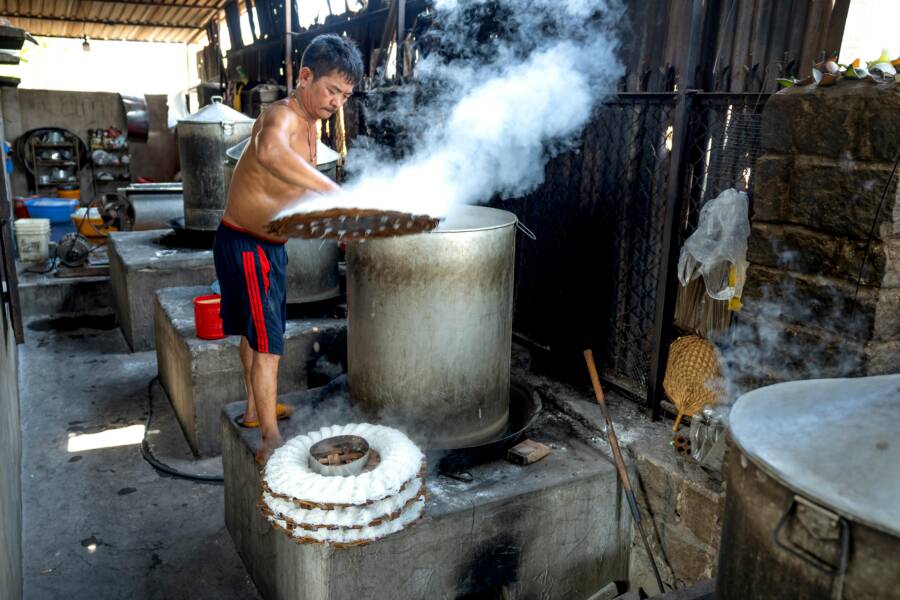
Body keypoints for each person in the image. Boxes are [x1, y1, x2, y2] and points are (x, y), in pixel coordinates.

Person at [214, 34, 364, 464]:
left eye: (345, 95)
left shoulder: (313, 127)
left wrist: (336, 222)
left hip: (265, 245)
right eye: (332, 89)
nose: (338, 101)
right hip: (247, 244)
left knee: (256, 331)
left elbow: (294, 191)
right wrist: (337, 192)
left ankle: (251, 410)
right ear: (304, 76)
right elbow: (270, 153)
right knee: (269, 344)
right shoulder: (280, 116)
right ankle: (270, 440)